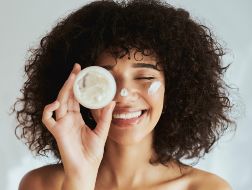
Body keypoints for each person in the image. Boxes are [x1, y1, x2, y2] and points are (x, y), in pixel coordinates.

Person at [13, 0, 235, 189]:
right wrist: (79, 177)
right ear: (76, 90)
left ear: (175, 88)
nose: (123, 94)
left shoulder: (207, 188)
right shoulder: (41, 184)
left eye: (145, 78)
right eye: (103, 80)